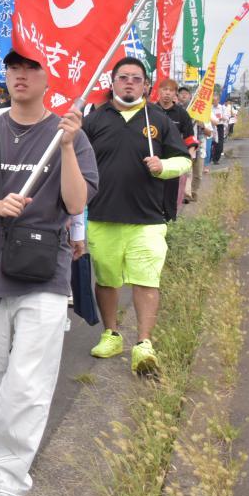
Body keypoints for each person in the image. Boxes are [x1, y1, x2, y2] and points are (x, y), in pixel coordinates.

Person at [0, 49, 98, 496]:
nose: (20, 76)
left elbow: (76, 201)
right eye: (14, 68)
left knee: (29, 382)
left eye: (31, 67)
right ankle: (14, 432)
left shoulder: (70, 135)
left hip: (43, 273)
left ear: (49, 76)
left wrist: (69, 146)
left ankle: (9, 481)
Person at [82, 57, 190, 375]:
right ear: (112, 82)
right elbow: (75, 158)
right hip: (102, 215)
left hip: (148, 218)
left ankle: (144, 344)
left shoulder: (158, 118)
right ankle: (111, 334)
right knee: (106, 280)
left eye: (136, 78)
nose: (129, 82)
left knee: (146, 280)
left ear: (146, 84)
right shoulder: (95, 118)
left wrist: (163, 167)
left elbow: (182, 159)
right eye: (123, 77)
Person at [155, 79, 196, 219]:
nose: (167, 93)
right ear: (158, 91)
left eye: (171, 90)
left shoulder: (181, 114)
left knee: (170, 197)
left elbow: (190, 138)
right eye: (164, 89)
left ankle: (169, 223)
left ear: (175, 95)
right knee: (152, 195)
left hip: (173, 161)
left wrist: (189, 159)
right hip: (153, 160)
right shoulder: (150, 111)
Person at [210, 99, 229, 165]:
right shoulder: (210, 108)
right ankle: (212, 157)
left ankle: (216, 159)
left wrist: (222, 118)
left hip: (220, 126)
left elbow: (227, 117)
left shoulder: (222, 108)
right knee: (212, 143)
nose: (214, 102)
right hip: (211, 126)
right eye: (213, 100)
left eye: (216, 100)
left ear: (218, 100)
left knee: (220, 144)